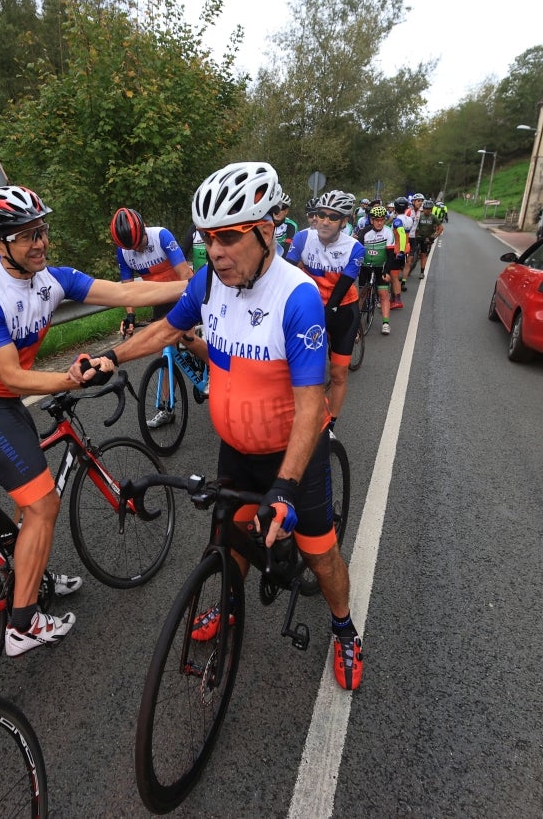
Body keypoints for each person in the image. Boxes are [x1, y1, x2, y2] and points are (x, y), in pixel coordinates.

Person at [83, 162, 364, 691]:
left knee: (319, 552)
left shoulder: (297, 296)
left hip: (291, 455)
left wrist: (285, 487)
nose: (215, 252)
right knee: (229, 539)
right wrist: (111, 357)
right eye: (208, 238)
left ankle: (344, 628)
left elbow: (311, 405)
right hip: (235, 448)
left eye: (229, 237)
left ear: (266, 231)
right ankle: (231, 604)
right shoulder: (209, 282)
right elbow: (167, 330)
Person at [0, 186, 187, 657]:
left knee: (28, 497)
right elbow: (13, 376)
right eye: (26, 236)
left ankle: (27, 575)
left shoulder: (52, 279)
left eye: (41, 231)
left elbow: (126, 291)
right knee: (44, 504)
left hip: (8, 404)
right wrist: (70, 380)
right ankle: (22, 626)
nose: (39, 243)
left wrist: (196, 286)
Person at [110, 206, 195, 427]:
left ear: (144, 227)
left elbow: (184, 273)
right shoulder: (124, 251)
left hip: (182, 291)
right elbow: (127, 290)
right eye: (132, 247)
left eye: (139, 243)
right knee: (163, 351)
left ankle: (215, 375)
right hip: (160, 299)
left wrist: (188, 308)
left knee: (191, 338)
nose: (137, 249)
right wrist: (130, 317)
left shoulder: (161, 236)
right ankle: (166, 408)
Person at [284, 189, 363, 424]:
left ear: (344, 222)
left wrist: (324, 319)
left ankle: (331, 424)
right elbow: (284, 274)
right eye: (321, 214)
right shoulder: (302, 238)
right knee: (302, 370)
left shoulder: (354, 248)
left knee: (338, 373)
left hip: (343, 308)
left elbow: (340, 291)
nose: (325, 221)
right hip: (311, 306)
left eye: (333, 216)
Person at [359, 204, 401, 334]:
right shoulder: (364, 232)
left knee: (383, 294)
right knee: (361, 295)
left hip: (380, 267)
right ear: (371, 220)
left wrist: (386, 271)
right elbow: (357, 251)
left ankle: (386, 323)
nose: (379, 223)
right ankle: (356, 322)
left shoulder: (388, 232)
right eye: (376, 220)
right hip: (365, 266)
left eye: (382, 220)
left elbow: (390, 256)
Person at [412, 193, 444, 278]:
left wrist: (435, 236)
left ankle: (422, 272)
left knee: (423, 255)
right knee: (412, 253)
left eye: (429, 209)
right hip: (418, 236)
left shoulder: (433, 217)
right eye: (426, 208)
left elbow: (441, 228)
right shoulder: (420, 215)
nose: (427, 210)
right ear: (423, 208)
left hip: (426, 238)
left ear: (431, 209)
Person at [271, 193, 298, 257]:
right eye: (276, 207)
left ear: (286, 211)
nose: (278, 211)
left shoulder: (291, 226)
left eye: (282, 208)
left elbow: (287, 248)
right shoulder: (265, 222)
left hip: (282, 258)